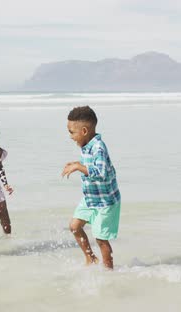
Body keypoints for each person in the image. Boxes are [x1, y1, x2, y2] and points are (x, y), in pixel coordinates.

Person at [61, 106, 121, 270]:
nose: (70, 136)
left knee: (101, 239)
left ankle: (109, 271)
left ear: (84, 131)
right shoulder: (87, 145)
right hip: (91, 198)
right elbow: (90, 166)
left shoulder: (99, 147)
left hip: (105, 201)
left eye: (72, 132)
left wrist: (79, 167)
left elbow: (101, 172)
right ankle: (91, 258)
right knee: (74, 227)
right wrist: (76, 164)